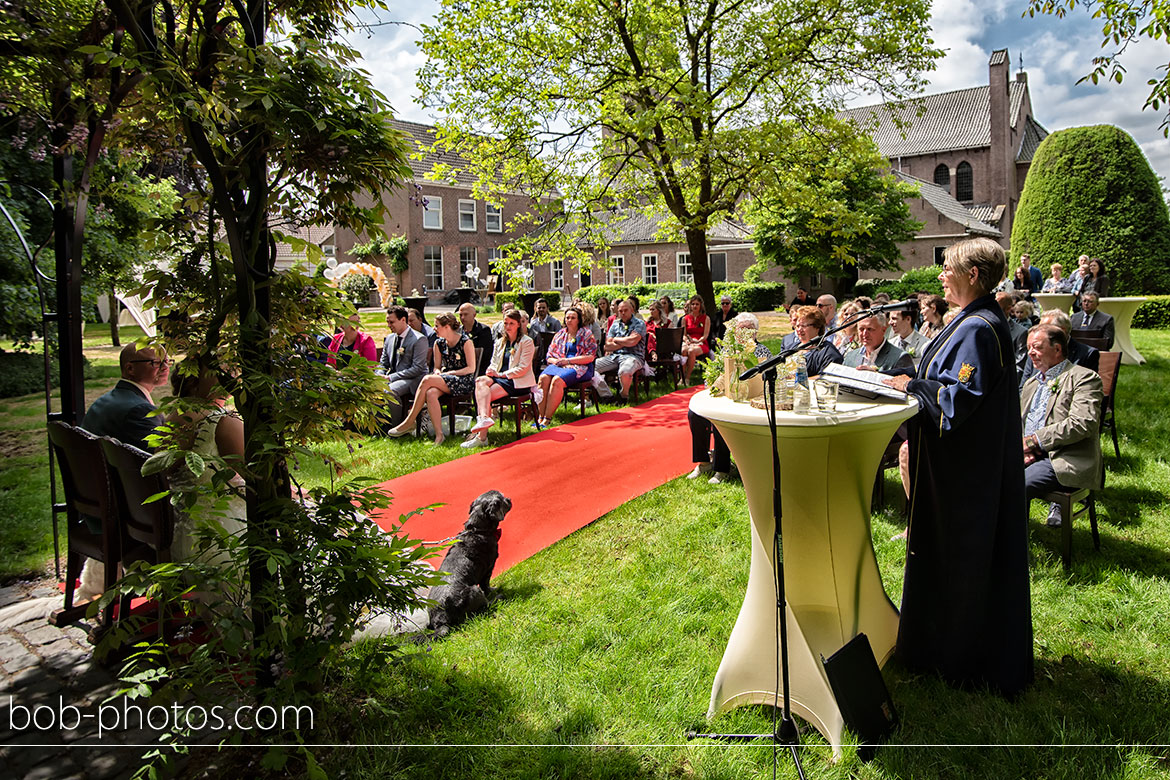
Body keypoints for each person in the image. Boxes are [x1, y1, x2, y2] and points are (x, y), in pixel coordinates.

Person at [881, 237, 1032, 697]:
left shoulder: (979, 328)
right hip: (957, 466)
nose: (941, 275)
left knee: (960, 562)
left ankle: (955, 657)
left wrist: (909, 384)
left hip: (964, 475)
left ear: (972, 276)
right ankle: (934, 647)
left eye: (948, 268)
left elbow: (955, 401)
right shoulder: (973, 319)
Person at [158, 358, 247, 564]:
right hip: (212, 537)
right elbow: (255, 478)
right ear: (195, 380)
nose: (230, 374)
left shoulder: (176, 414)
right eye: (221, 370)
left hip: (178, 529)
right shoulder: (222, 421)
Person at [1020, 324, 1103, 527]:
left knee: (1015, 483)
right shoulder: (1031, 383)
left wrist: (1034, 441)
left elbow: (1083, 422)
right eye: (1029, 347)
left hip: (1064, 457)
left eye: (1037, 347)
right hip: (1030, 452)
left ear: (1057, 349)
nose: (1031, 352)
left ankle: (1013, 548)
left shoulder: (1084, 377)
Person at [689, 313, 773, 483]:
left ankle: (722, 469)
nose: (744, 334)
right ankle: (704, 462)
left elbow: (767, 380)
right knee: (695, 415)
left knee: (722, 418)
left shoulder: (762, 351)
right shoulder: (727, 351)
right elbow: (711, 377)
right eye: (740, 330)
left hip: (748, 401)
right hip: (724, 396)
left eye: (749, 330)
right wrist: (712, 386)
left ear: (755, 332)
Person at [388, 313, 477, 445]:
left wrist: (449, 373)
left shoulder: (465, 342)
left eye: (437, 326)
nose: (434, 329)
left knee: (426, 380)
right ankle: (439, 435)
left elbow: (471, 368)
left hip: (463, 381)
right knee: (430, 393)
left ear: (447, 327)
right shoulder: (439, 343)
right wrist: (438, 372)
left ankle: (409, 421)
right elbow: (436, 367)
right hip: (444, 380)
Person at [464, 309, 537, 448]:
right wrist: (491, 370)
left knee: (485, 396)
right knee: (480, 381)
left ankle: (482, 437)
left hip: (517, 381)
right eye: (505, 323)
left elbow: (523, 368)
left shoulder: (526, 342)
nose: (508, 326)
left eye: (511, 323)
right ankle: (484, 419)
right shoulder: (499, 342)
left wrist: (501, 375)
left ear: (518, 325)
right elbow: (494, 362)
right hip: (499, 377)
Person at [82, 343, 170, 452]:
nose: (165, 367)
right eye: (156, 363)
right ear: (130, 369)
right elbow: (160, 460)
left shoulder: (105, 400)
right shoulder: (140, 411)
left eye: (166, 361)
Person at [534, 307, 598, 428]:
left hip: (580, 366)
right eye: (567, 317)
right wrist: (557, 361)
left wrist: (568, 361)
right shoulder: (560, 334)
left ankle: (547, 418)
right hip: (560, 364)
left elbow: (590, 357)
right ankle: (540, 417)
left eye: (573, 318)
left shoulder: (586, 334)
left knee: (557, 380)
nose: (569, 320)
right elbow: (549, 356)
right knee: (543, 378)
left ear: (579, 320)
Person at [377, 305, 429, 428]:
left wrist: (390, 378)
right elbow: (383, 363)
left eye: (392, 322)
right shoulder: (389, 339)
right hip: (394, 377)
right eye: (387, 322)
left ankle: (396, 426)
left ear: (403, 320)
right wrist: (379, 375)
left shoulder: (419, 339)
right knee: (374, 388)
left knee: (390, 391)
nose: (389, 325)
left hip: (413, 379)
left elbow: (417, 368)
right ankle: (378, 425)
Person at [1019, 308, 1099, 387]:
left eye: (1044, 329)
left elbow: (1086, 388)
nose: (1038, 332)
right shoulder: (1034, 352)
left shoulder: (1087, 354)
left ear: (1062, 331)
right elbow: (1023, 387)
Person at [595, 299, 646, 401]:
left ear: (632, 310)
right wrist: (626, 342)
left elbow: (633, 341)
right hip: (614, 356)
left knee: (625, 372)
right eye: (620, 311)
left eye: (625, 310)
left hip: (634, 357)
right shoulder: (615, 324)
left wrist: (616, 339)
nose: (623, 313)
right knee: (590, 368)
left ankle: (624, 396)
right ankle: (608, 395)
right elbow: (607, 345)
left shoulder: (639, 323)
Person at [843, 313, 914, 375]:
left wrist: (876, 375)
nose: (865, 334)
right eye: (861, 329)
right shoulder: (850, 356)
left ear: (883, 330)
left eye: (870, 329)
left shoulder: (900, 358)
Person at [680, 295, 711, 384]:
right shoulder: (685, 318)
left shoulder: (706, 318)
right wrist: (686, 340)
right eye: (693, 304)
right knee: (683, 350)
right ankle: (682, 377)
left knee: (691, 351)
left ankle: (687, 378)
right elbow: (684, 335)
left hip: (701, 342)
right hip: (689, 341)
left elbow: (705, 336)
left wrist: (697, 341)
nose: (694, 306)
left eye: (697, 304)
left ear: (701, 305)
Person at [458, 302, 494, 376]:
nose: (462, 318)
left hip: (479, 369)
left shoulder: (483, 330)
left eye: (465, 314)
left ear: (474, 315)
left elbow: (485, 355)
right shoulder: (458, 332)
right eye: (460, 315)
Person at [997, 291, 1030, 363]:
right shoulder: (985, 329)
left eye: (997, 309)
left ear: (1008, 309)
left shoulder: (1021, 333)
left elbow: (1020, 365)